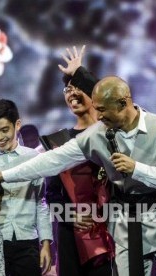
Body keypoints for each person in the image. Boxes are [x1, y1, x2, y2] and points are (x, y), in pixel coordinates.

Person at [0, 46, 156, 276]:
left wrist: (136, 169)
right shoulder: (97, 134)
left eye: (102, 110)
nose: (98, 116)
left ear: (124, 103)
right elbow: (52, 160)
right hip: (125, 228)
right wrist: (3, 175)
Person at [44, 45, 115, 275]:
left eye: (77, 88)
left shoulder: (111, 133)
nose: (71, 94)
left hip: (110, 230)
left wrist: (80, 72)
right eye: (66, 90)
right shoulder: (59, 141)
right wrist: (70, 215)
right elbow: (53, 193)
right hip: (71, 234)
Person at [0, 99, 53, 276]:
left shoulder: (34, 158)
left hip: (27, 240)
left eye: (4, 130)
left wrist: (45, 244)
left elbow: (40, 202)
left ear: (18, 125)